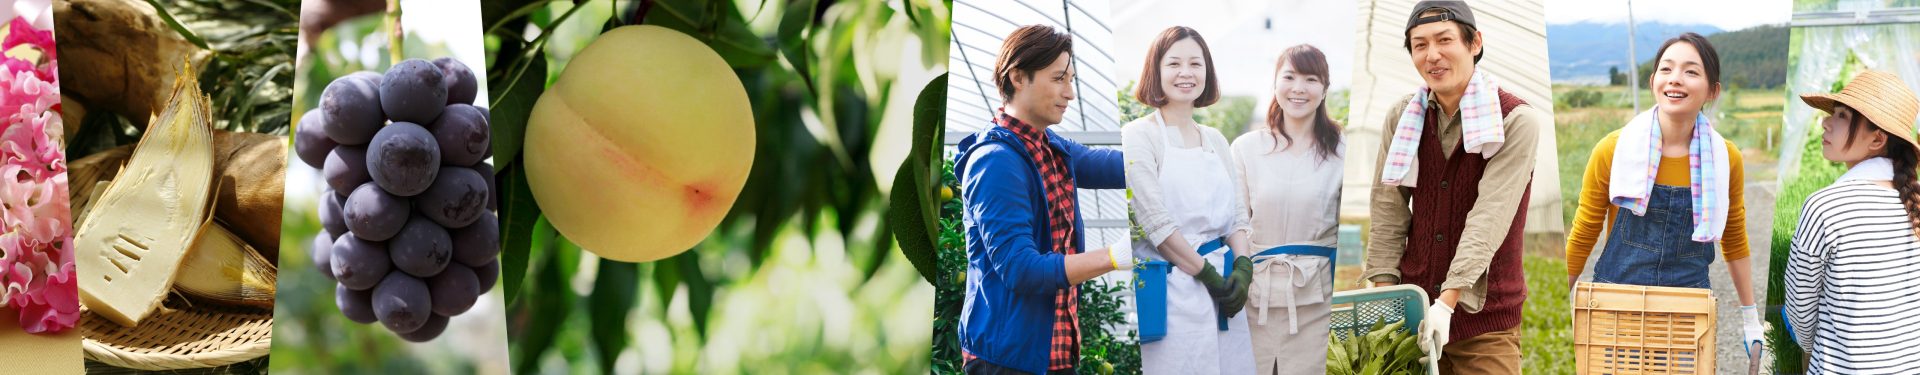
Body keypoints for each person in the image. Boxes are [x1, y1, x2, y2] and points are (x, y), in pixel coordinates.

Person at [1359, 1, 1541, 373]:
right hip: (1413, 312)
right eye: (1420, 45)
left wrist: (1447, 303)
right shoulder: (1403, 117)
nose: (1433, 55)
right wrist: (1385, 297)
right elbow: (1388, 209)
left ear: (1474, 43)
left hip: (1485, 320)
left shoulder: (1516, 121)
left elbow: (1489, 216)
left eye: (1444, 40)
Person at [1562, 32, 1763, 361]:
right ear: (1653, 80)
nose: (1676, 80)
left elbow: (1734, 236)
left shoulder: (1726, 158)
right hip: (1617, 302)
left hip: (1687, 308)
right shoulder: (1614, 149)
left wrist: (1751, 318)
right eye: (1667, 70)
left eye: (1691, 71)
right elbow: (1584, 231)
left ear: (1713, 91)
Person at [952, 24, 1129, 375]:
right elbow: (1021, 268)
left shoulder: (1051, 149)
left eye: (1072, 79)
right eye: (1059, 78)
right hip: (1008, 361)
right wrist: (1111, 257)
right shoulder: (996, 161)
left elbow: (1119, 167)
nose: (1070, 93)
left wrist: (1166, 146)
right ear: (1018, 77)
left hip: (1055, 355)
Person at [1120, 26, 1255, 374]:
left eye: (1195, 63)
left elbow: (1238, 217)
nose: (1186, 73)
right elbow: (1156, 225)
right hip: (1172, 291)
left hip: (1224, 294)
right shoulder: (1138, 136)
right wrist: (1206, 274)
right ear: (1156, 71)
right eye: (1174, 63)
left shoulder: (1215, 139)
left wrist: (1243, 267)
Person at [1786, 69, 1920, 374]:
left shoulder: (1824, 207)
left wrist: (1812, 348)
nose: (1826, 121)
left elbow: (1799, 308)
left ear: (1877, 138)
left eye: (1843, 116)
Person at [1231, 44, 1343, 375]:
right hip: (1254, 297)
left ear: (1324, 89)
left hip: (1316, 299)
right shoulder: (1246, 149)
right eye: (1289, 76)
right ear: (1275, 82)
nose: (1298, 88)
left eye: (1310, 79)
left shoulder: (1341, 151)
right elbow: (1235, 221)